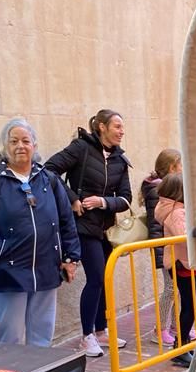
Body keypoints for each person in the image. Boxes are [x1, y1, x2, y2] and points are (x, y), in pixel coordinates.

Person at [0, 119, 80, 347]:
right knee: (11, 337)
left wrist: (70, 257)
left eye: (26, 141)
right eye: (14, 141)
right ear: (4, 146)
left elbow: (66, 219)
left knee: (42, 336)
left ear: (34, 146)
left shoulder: (49, 179)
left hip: (46, 268)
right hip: (10, 271)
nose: (20, 146)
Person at [45, 109, 132, 358]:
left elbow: (126, 199)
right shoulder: (80, 148)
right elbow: (49, 170)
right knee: (95, 278)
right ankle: (87, 336)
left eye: (122, 127)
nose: (121, 131)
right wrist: (72, 198)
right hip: (82, 226)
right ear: (102, 127)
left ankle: (101, 330)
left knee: (104, 279)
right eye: (117, 126)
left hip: (106, 228)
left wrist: (103, 202)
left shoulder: (120, 160)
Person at [154, 172, 196, 367]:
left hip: (183, 262)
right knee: (190, 305)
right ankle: (180, 347)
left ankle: (183, 346)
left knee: (191, 304)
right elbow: (185, 235)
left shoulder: (174, 210)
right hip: (182, 263)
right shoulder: (177, 212)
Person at [141, 148, 181, 347]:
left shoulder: (169, 187)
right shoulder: (158, 190)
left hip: (173, 247)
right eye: (180, 165)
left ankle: (176, 327)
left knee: (178, 290)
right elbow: (158, 223)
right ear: (172, 167)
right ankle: (160, 329)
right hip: (165, 248)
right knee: (171, 289)